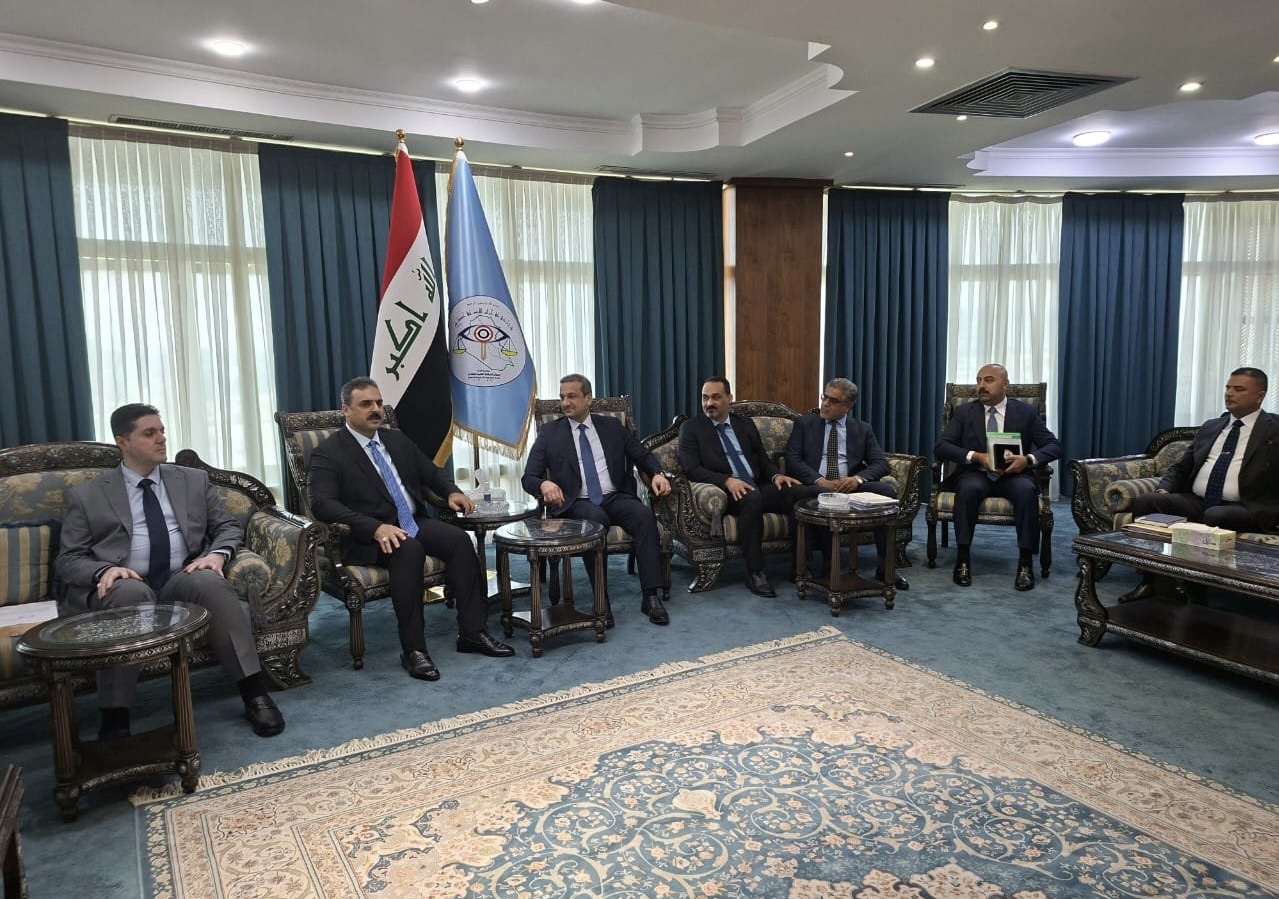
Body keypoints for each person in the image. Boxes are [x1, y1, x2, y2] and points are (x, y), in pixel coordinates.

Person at [55, 404, 286, 740]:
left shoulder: (192, 480)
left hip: (182, 576)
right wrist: (105, 569)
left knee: (211, 583)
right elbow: (69, 558)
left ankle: (255, 694)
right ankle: (115, 718)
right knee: (130, 593)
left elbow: (227, 526)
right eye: (149, 433)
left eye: (161, 431)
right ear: (122, 442)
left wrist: (217, 555)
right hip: (127, 583)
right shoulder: (88, 495)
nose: (161, 439)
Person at [308, 377, 514, 682]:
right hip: (367, 536)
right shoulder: (329, 452)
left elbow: (431, 472)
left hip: (412, 522)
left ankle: (472, 632)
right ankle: (414, 649)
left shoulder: (395, 439)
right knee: (409, 550)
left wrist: (452, 491)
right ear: (346, 410)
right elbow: (322, 504)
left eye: (379, 403)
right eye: (366, 404)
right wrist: (374, 528)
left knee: (459, 540)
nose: (376, 409)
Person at [521, 374, 673, 625]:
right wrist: (543, 484)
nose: (565, 403)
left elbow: (642, 455)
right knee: (595, 520)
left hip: (615, 496)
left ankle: (650, 596)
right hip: (578, 502)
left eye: (572, 396)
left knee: (644, 516)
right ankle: (602, 600)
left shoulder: (612, 426)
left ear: (588, 398)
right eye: (562, 397)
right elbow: (528, 477)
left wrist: (657, 473)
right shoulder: (550, 433)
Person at [1119, 367, 1279, 602]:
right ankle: (1150, 580)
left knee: (1216, 515)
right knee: (1148, 502)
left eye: (1239, 389)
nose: (1229, 393)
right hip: (1198, 500)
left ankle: (1196, 589)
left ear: (1259, 396)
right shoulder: (1212, 426)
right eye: (1228, 388)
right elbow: (1181, 467)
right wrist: (1164, 489)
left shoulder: (1274, 428)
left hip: (1248, 506)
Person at [934, 363, 1061, 591]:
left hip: (1014, 475)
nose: (981, 385)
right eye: (979, 380)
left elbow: (1053, 446)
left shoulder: (1025, 412)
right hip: (976, 473)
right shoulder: (964, 412)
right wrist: (976, 456)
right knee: (968, 490)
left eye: (989, 380)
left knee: (1026, 491)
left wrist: (1028, 460)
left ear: (1006, 385)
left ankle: (1025, 564)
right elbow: (942, 447)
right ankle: (963, 559)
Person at [678, 376, 805, 597]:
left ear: (729, 398)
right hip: (727, 492)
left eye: (716, 397)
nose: (709, 403)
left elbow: (763, 459)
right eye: (705, 398)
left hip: (757, 484)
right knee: (752, 499)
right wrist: (726, 480)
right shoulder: (691, 428)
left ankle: (801, 567)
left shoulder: (744, 424)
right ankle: (755, 572)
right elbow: (691, 469)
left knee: (799, 493)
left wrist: (776, 475)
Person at [784, 378, 908, 590]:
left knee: (885, 491)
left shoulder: (862, 429)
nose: (825, 404)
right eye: (824, 397)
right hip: (815, 484)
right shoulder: (805, 424)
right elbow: (792, 459)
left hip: (847, 486)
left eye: (833, 401)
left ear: (848, 406)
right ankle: (807, 566)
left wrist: (856, 479)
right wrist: (819, 480)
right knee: (809, 495)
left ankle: (885, 565)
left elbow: (881, 463)